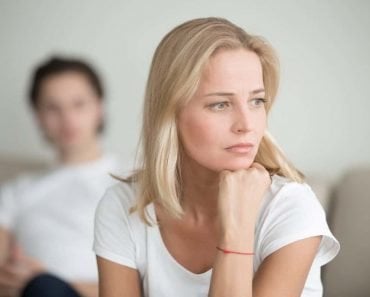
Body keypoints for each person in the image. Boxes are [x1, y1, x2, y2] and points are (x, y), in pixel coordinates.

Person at [93, 17, 340, 297]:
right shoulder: (124, 206)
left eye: (256, 101)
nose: (246, 124)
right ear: (170, 114)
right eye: (220, 104)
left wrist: (237, 226)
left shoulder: (291, 208)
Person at [0, 56, 122, 297]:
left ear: (99, 107)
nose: (68, 119)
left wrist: (63, 285)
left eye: (78, 104)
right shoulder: (16, 191)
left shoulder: (136, 180)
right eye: (53, 108)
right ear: (38, 116)